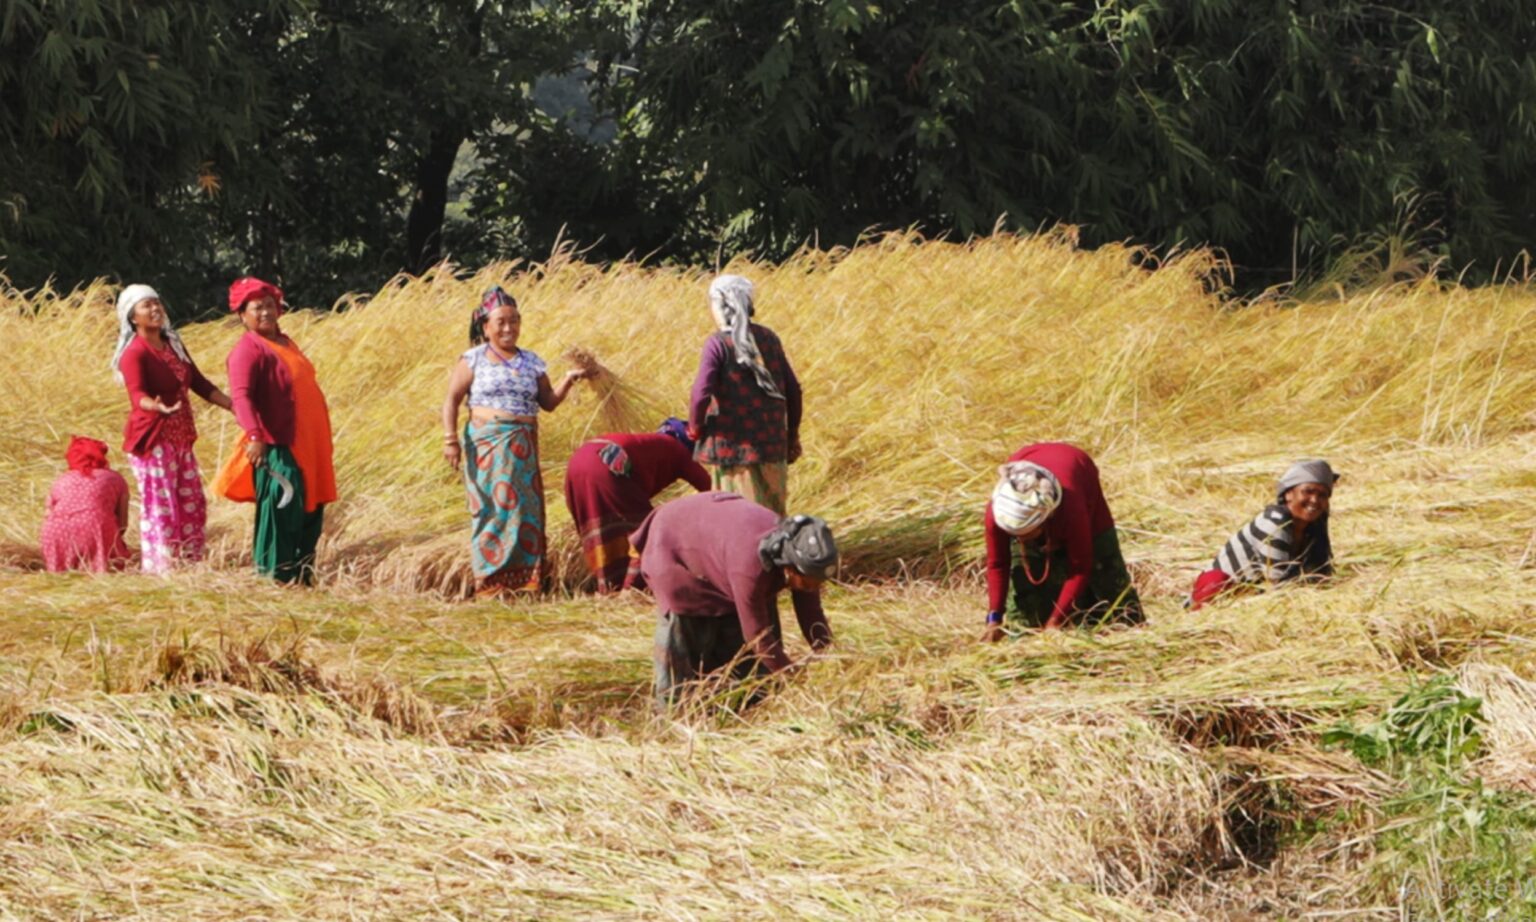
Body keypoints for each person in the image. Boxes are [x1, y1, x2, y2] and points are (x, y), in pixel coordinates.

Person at [441, 286, 587, 596]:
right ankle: (491, 582)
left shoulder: (532, 361)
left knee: (524, 512)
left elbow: (548, 402)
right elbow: (451, 400)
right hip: (488, 445)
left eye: (514, 321)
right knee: (492, 509)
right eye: (501, 322)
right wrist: (450, 440)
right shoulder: (473, 359)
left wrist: (569, 379)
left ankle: (525, 583)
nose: (509, 328)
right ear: (486, 327)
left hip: (523, 448)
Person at [631, 491, 836, 708]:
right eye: (810, 582)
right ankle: (674, 713)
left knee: (752, 668)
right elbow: (757, 636)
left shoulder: (804, 556)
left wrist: (831, 660)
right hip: (674, 544)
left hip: (722, 545)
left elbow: (810, 614)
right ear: (789, 567)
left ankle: (744, 703)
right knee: (687, 649)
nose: (814, 587)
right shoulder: (753, 570)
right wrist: (793, 676)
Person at [211, 277, 336, 584]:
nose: (266, 312)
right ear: (242, 315)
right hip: (279, 444)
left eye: (270, 305)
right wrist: (255, 436)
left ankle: (302, 578)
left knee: (309, 509)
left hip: (309, 444)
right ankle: (274, 580)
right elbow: (242, 397)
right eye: (257, 308)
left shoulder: (285, 342)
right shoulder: (247, 350)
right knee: (282, 509)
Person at [111, 284, 233, 572]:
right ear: (133, 317)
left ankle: (189, 563)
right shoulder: (134, 353)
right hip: (153, 439)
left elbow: (199, 382)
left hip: (181, 437)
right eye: (146, 305)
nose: (155, 308)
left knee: (191, 502)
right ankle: (162, 569)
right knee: (161, 506)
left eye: (157, 302)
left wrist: (233, 405)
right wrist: (155, 407)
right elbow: (137, 395)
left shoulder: (173, 343)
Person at [981, 442, 1142, 639]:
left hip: (1077, 470)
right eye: (1014, 534)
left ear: (1044, 520)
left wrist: (1055, 621)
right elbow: (998, 563)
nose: (1019, 539)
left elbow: (1080, 567)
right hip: (1031, 459)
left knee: (1105, 572)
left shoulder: (1072, 510)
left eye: (1025, 533)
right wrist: (994, 617)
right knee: (1025, 601)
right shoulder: (1000, 512)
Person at [688, 274, 803, 515]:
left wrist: (695, 428)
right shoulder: (769, 339)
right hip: (772, 445)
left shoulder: (718, 344)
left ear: (721, 305)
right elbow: (793, 390)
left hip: (733, 450)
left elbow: (701, 393)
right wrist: (791, 434)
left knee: (738, 517)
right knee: (773, 516)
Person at [563, 417, 712, 594]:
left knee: (601, 532)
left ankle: (610, 588)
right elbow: (710, 487)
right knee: (645, 534)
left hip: (577, 463)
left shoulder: (650, 444)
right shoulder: (678, 450)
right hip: (608, 465)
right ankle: (633, 590)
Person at [1188, 459, 1339, 610]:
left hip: (1257, 597)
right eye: (1308, 491)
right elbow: (1279, 584)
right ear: (1289, 494)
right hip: (1222, 596)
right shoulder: (1274, 523)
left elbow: (1317, 579)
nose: (1315, 500)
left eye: (1322, 495)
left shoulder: (1312, 529)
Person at [40, 436, 132, 573]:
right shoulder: (115, 479)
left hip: (55, 535)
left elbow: (48, 513)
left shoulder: (62, 480)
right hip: (97, 531)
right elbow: (123, 524)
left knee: (61, 578)